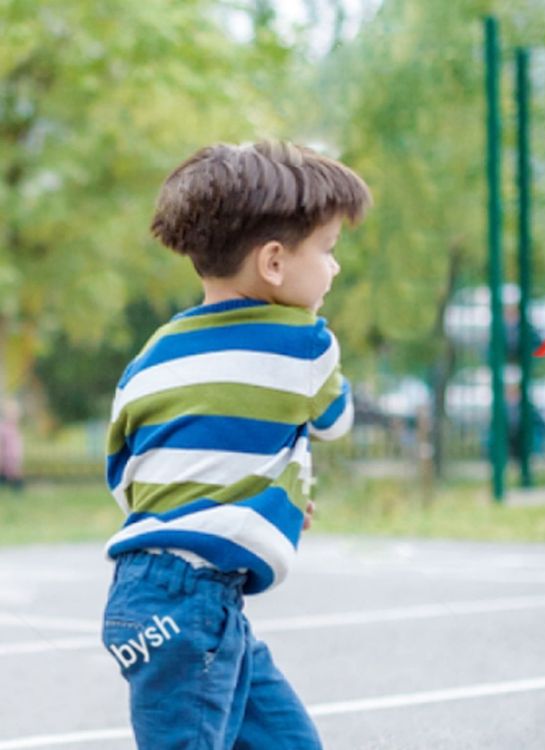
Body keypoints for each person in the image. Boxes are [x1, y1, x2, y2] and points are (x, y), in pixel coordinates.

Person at [100, 141, 372, 749]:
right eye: (327, 251)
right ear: (274, 263)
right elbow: (335, 419)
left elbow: (126, 474)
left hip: (151, 593)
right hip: (194, 604)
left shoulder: (149, 359)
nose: (334, 269)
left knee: (286, 741)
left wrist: (237, 497)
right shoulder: (305, 343)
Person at [0, 398, 24, 491]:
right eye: (11, 413)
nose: (15, 415)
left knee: (15, 473)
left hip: (15, 456)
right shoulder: (3, 428)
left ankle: (16, 490)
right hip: (7, 456)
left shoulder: (15, 427)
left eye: (16, 413)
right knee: (8, 472)